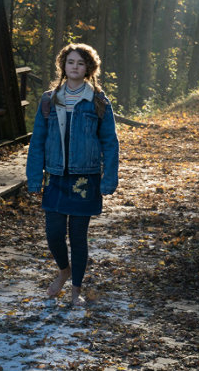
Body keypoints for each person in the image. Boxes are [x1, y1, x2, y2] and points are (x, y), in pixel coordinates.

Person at [26, 43, 119, 306]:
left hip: (85, 179)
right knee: (54, 233)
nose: (74, 67)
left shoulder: (98, 101)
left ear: (89, 68)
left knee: (78, 236)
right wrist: (34, 177)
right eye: (70, 62)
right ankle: (63, 270)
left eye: (80, 63)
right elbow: (38, 141)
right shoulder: (49, 99)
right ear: (63, 66)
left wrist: (109, 178)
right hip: (55, 176)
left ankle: (76, 289)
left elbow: (110, 142)